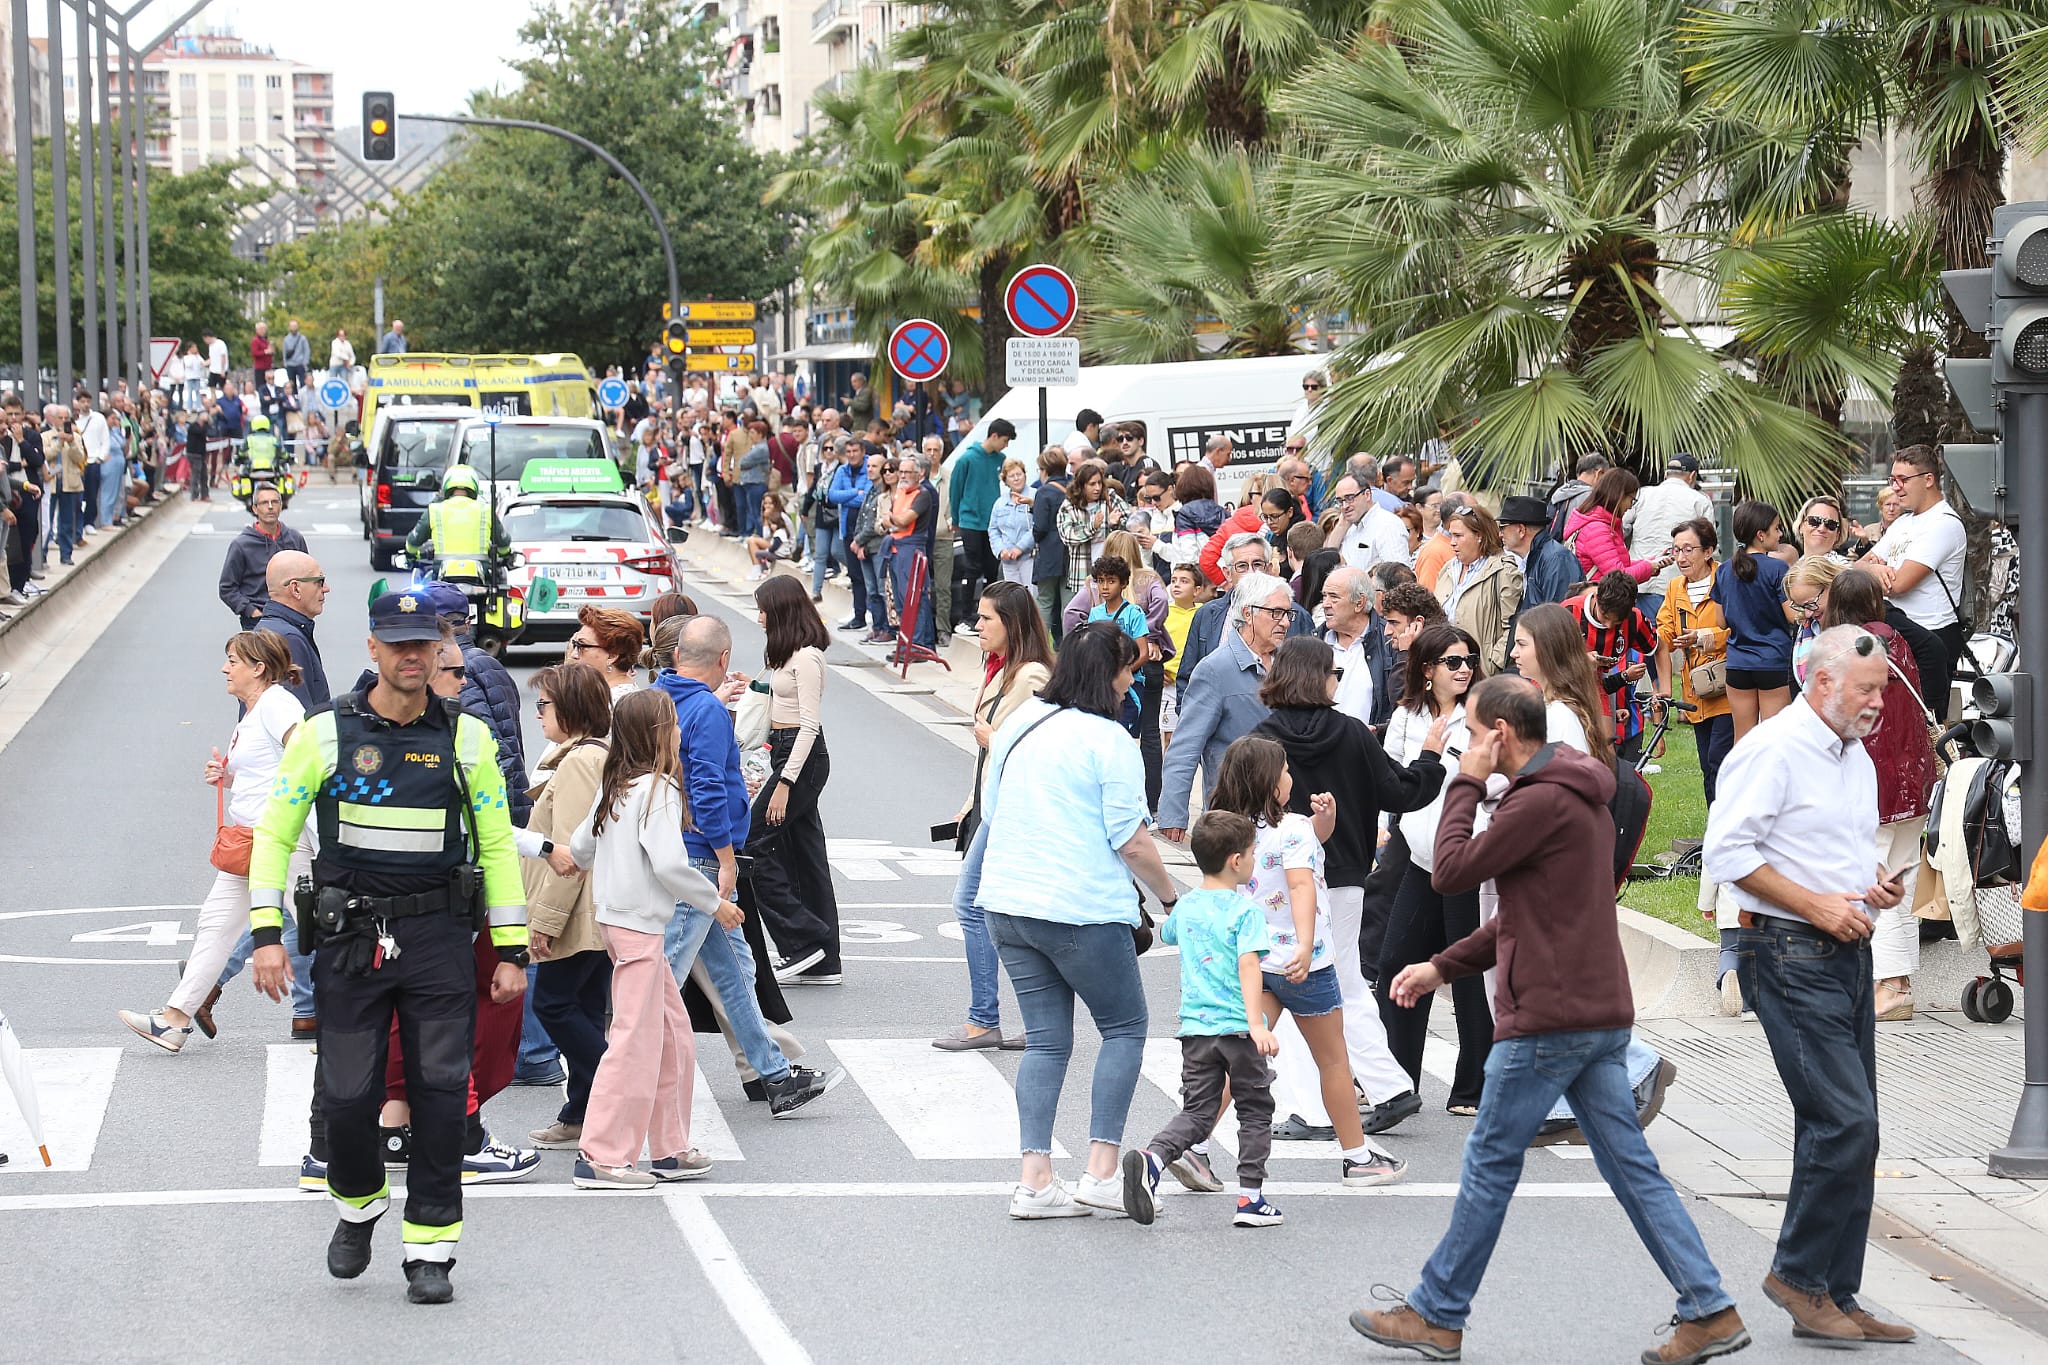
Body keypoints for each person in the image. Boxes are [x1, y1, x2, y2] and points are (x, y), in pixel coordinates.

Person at [1356, 676, 1747, 1365]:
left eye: (1474, 734)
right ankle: (1709, 1306)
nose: (1467, 746)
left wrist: (1464, 783)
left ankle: (1439, 1313)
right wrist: (1442, 966)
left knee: (1488, 1160)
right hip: (1593, 1009)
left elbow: (1450, 870)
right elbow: (1523, 913)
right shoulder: (1577, 795)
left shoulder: (1538, 801)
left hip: (1550, 1015)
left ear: (1502, 734)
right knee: (1631, 1166)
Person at [244, 588, 528, 1306]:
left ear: (439, 649)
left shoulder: (467, 738)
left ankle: (431, 1247)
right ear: (371, 647)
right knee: (346, 1097)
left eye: (422, 642)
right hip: (350, 940)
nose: (410, 655)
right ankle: (358, 1202)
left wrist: (512, 948)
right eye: (395, 642)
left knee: (438, 1097)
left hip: (437, 938)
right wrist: (266, 934)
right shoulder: (324, 734)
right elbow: (275, 834)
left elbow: (495, 842)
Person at [1703, 626, 1916, 1350]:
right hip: (1788, 951)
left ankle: (1834, 1291)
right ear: (1822, 682)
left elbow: (1829, 849)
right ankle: (1798, 1275)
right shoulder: (1772, 748)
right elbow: (1729, 852)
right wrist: (1816, 903)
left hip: (1842, 948)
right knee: (1845, 1121)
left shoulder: (1849, 752)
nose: (1879, 701)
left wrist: (1865, 888)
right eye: (1868, 688)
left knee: (1854, 1127)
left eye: (1882, 687)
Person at [969, 623, 1180, 1218]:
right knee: (1123, 1028)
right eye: (1128, 670)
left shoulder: (1019, 723)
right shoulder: (1108, 739)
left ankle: (1034, 1181)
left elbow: (992, 807)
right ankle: (1101, 1172)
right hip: (1080, 908)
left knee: (1046, 1041)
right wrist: (1169, 898)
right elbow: (1132, 841)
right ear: (1107, 674)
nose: (1131, 680)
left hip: (1008, 903)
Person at [1255, 637, 1443, 1136]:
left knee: (1297, 983)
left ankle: (1314, 1109)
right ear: (1317, 678)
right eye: (1332, 673)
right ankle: (1388, 1086)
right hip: (1346, 876)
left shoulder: (1263, 738)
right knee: (1343, 982)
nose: (1338, 681)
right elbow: (1401, 790)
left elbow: (1238, 805)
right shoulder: (1353, 733)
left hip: (1282, 880)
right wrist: (1430, 759)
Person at [653, 615, 841, 1112]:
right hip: (705, 857)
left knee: (736, 970)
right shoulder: (708, 712)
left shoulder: (656, 699)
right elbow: (710, 789)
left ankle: (777, 1075)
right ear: (722, 659)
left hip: (679, 848)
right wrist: (725, 861)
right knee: (663, 977)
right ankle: (606, 1085)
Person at [117, 633, 313, 1052]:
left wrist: (280, 810)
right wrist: (230, 777)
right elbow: (269, 766)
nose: (225, 669)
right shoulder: (255, 711)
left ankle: (359, 1024)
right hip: (249, 843)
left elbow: (303, 754)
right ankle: (174, 1020)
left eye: (232, 661)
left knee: (322, 931)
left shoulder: (277, 704)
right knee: (215, 928)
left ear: (258, 668)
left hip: (280, 840)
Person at [563, 688, 721, 1189]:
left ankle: (669, 1147)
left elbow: (580, 847)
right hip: (640, 927)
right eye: (672, 724)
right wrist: (718, 902)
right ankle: (602, 1155)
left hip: (617, 921)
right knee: (634, 1041)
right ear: (658, 734)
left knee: (672, 1034)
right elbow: (672, 864)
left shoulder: (618, 784)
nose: (678, 731)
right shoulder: (658, 790)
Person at [1120, 811, 1283, 1227]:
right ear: (1235, 861)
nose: (1252, 860)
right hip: (1238, 1029)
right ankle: (1250, 1199)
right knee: (1255, 1108)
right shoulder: (1246, 913)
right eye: (1250, 854)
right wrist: (1258, 1023)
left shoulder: (1188, 907)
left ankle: (1153, 1157)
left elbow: (1170, 932)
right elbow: (1250, 969)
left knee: (1197, 1111)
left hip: (1195, 1031)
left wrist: (1180, 907)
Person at [1376, 624, 1490, 1115]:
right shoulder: (1407, 715)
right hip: (1419, 857)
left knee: (1466, 975)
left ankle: (1473, 1087)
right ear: (1427, 670)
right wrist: (1384, 826)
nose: (1463, 669)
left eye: (1469, 660)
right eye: (1452, 662)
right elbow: (1392, 778)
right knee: (1396, 964)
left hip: (1468, 858)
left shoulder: (1485, 715)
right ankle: (1397, 1082)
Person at [937, 582, 1056, 1051]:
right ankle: (1004, 1017)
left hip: (1016, 810)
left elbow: (1038, 742)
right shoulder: (1001, 669)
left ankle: (987, 1018)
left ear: (1014, 623)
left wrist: (995, 741)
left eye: (988, 619)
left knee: (975, 905)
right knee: (1001, 911)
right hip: (992, 804)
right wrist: (971, 801)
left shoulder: (1031, 676)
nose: (979, 626)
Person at [1820, 569, 1938, 1023]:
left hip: (1873, 780)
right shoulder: (1896, 641)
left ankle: (1890, 986)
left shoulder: (1851, 648)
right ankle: (1897, 981)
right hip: (1913, 774)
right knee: (1900, 886)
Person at [519, 664, 614, 1154]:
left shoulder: (580, 761)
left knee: (552, 1005)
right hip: (595, 908)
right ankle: (580, 1112)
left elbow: (571, 853)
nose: (537, 715)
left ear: (570, 709)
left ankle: (612, 1096)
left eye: (544, 705)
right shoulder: (593, 753)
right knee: (581, 1007)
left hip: (578, 910)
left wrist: (547, 923)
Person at [745, 575, 843, 985]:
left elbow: (808, 726)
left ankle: (804, 941)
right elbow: (768, 698)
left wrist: (784, 783)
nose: (760, 616)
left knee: (751, 844)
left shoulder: (807, 658)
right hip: (784, 752)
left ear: (781, 609)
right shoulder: (783, 655)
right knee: (805, 856)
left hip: (801, 760)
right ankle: (824, 961)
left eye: (764, 608)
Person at [1158, 571, 1294, 839]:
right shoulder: (1215, 669)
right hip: (1233, 815)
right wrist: (1173, 813)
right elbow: (1185, 746)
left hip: (1284, 813)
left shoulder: (1289, 664)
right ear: (1248, 612)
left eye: (1288, 613)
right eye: (1276, 613)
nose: (1286, 622)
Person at [1860, 444, 1968, 721]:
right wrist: (1874, 572)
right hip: (1895, 631)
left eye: (1902, 480)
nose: (1895, 487)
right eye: (1892, 480)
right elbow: (1858, 568)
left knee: (1926, 727)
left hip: (1931, 634)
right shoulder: (1903, 523)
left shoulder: (1944, 523)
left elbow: (1899, 584)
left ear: (1928, 479)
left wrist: (1876, 571)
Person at [1713, 499, 1795, 743]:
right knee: (1774, 740)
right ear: (1761, 534)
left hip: (1738, 663)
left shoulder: (1724, 570)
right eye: (1777, 528)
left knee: (1743, 741)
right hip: (1772, 661)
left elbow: (1721, 621)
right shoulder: (1777, 568)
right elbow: (1792, 615)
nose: (1780, 534)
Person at [1434, 501, 1523, 675]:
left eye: (1459, 536)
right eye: (1451, 536)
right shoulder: (1448, 569)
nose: (1452, 543)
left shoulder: (1503, 571)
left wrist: (1492, 664)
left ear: (1479, 536)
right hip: (1445, 670)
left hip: (1480, 674)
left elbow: (1513, 627)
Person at [1629, 454, 1713, 619]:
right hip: (1680, 585)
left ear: (1666, 474)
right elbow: (1709, 543)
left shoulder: (1641, 495)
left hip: (1640, 582)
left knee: (1644, 639)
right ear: (1692, 476)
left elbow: (1621, 529)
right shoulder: (1699, 500)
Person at [219, 486, 309, 629]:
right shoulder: (241, 545)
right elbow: (227, 588)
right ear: (255, 509)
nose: (270, 507)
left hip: (292, 618)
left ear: (281, 505)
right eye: (264, 503)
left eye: (274, 502)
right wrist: (250, 611)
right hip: (257, 621)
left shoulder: (295, 539)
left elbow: (308, 577)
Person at [1565, 468, 1669, 586]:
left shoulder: (1600, 524)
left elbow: (1617, 565)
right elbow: (1617, 576)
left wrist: (1651, 562)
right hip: (1600, 599)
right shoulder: (1597, 529)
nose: (1630, 507)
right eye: (1632, 500)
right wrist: (1648, 567)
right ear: (1620, 496)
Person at [405, 464, 511, 579]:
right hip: (479, 577)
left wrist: (412, 555)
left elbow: (413, 542)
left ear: (446, 485)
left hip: (443, 578)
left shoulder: (435, 510)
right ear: (474, 485)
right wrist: (505, 554)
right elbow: (503, 543)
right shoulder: (485, 510)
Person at [255, 551, 331, 708]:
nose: (326, 589)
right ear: (295, 589)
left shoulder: (271, 630)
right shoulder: (288, 639)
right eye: (319, 581)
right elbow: (298, 718)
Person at [950, 417, 1011, 609]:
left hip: (992, 522)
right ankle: (966, 613)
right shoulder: (966, 459)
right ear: (994, 436)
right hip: (970, 521)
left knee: (991, 568)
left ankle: (989, 609)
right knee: (972, 567)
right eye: (1004, 440)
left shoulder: (1001, 460)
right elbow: (955, 490)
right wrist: (956, 519)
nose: (1006, 445)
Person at [1030, 447, 1074, 641]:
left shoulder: (1044, 492)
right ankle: (1069, 647)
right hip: (1071, 551)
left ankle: (1038, 644)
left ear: (1045, 470)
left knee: (1045, 601)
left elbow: (1039, 527)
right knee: (1069, 603)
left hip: (1049, 553)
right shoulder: (1073, 488)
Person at [566, 606, 646, 699]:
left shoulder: (613, 704)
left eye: (582, 646)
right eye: (574, 644)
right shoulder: (599, 694)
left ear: (612, 656)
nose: (573, 654)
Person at [988, 456, 1037, 585]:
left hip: (1029, 557)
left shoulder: (1035, 495)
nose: (1016, 478)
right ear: (1005, 480)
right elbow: (993, 530)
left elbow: (1037, 526)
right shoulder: (1000, 503)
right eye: (1011, 476)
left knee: (1031, 597)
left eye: (1019, 474)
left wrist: (1020, 548)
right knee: (1012, 597)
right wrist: (1001, 550)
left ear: (1025, 475)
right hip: (1008, 561)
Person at [280, 319, 312, 391]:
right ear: (289, 327)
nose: (293, 328)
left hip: (300, 364)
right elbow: (284, 352)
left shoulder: (302, 338)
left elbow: (307, 350)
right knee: (292, 384)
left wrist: (305, 362)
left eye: (295, 326)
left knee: (303, 383)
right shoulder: (286, 339)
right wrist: (285, 363)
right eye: (292, 326)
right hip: (290, 365)